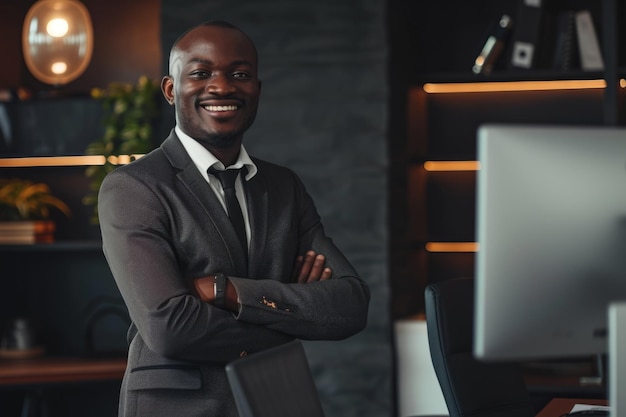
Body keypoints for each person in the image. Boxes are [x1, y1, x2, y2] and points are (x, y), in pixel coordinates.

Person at [98, 20, 370, 417]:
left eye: (239, 74)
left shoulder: (283, 187)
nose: (222, 87)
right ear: (171, 90)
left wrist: (226, 291)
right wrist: (291, 315)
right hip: (180, 407)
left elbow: (350, 306)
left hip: (278, 401)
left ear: (257, 89)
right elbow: (169, 327)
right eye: (201, 73)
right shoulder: (133, 188)